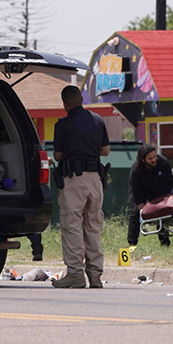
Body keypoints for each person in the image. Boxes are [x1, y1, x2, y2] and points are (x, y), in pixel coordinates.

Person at [51, 85, 110, 289]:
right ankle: (95, 275)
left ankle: (75, 274)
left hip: (74, 180)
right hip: (96, 179)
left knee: (72, 226)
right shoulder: (97, 120)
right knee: (93, 227)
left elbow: (58, 155)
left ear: (65, 104)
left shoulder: (63, 124)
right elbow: (106, 150)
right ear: (82, 98)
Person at [127, 144, 173, 248]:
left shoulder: (163, 162)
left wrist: (164, 200)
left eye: (155, 156)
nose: (154, 160)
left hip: (159, 189)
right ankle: (132, 244)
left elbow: (169, 182)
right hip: (140, 190)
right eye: (150, 158)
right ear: (143, 160)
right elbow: (137, 193)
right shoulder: (136, 170)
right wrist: (142, 213)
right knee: (135, 213)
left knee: (162, 212)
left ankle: (165, 244)